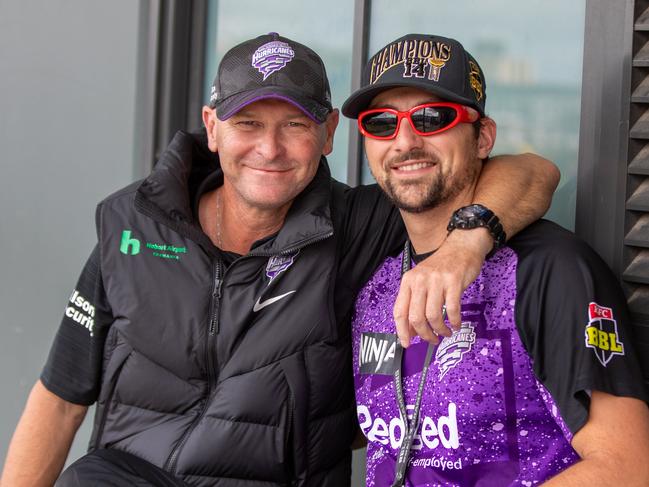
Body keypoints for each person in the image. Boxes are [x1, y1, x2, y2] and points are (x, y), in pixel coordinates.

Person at [1, 33, 558, 487]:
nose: (270, 149)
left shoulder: (358, 225)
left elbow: (532, 171)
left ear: (328, 134)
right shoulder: (134, 225)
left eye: (294, 125)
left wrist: (466, 242)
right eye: (248, 124)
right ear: (213, 127)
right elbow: (59, 399)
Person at [345, 33, 649, 486]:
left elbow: (626, 468)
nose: (405, 140)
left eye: (432, 118)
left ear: (483, 137)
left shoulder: (550, 268)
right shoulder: (373, 275)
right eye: (382, 123)